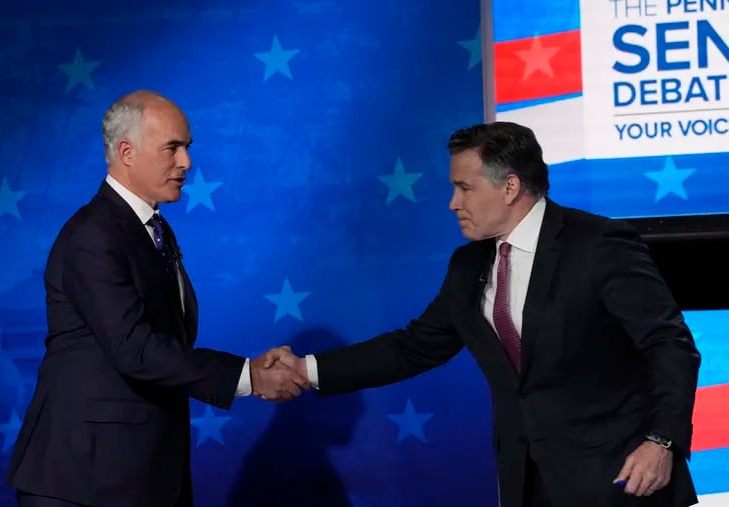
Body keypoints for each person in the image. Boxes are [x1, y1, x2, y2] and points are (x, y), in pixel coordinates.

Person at [263, 122, 701, 507]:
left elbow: (670, 344)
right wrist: (306, 369)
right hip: (526, 481)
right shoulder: (468, 264)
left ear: (510, 187)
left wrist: (662, 441)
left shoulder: (599, 244)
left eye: (464, 187)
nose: (453, 203)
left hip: (622, 478)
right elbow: (414, 347)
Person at [5, 90, 308, 507]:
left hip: (143, 471)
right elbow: (136, 349)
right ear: (127, 152)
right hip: (85, 480)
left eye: (187, 148)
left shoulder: (153, 230)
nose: (186, 163)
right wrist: (248, 375)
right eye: (173, 148)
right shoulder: (94, 235)